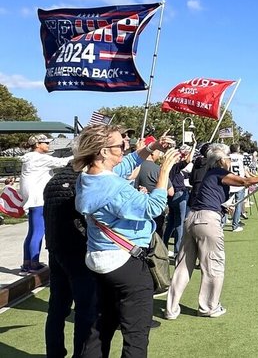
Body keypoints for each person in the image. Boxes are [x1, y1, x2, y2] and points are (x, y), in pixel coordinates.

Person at [74, 124, 178, 358]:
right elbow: (153, 207)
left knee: (101, 326)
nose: (125, 148)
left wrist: (153, 147)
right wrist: (164, 173)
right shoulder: (114, 186)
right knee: (136, 334)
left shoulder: (88, 177)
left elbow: (128, 164)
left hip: (99, 258)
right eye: (120, 145)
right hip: (126, 262)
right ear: (103, 151)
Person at [164, 143, 258, 320]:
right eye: (227, 158)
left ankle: (171, 309)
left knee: (182, 266)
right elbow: (245, 182)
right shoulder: (219, 172)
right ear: (220, 160)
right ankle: (209, 307)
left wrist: (223, 207)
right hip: (207, 222)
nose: (229, 161)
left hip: (192, 218)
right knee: (213, 266)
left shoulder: (209, 176)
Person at [43, 162, 97, 357]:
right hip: (76, 249)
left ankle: (54, 352)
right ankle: (80, 354)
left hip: (56, 247)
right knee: (85, 309)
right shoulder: (82, 181)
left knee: (57, 307)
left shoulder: (52, 181)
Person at [20, 134, 73, 273]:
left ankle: (27, 262)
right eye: (46, 142)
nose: (48, 145)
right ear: (38, 144)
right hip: (38, 198)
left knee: (32, 231)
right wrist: (79, 154)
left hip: (31, 199)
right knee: (38, 231)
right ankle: (33, 263)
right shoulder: (39, 158)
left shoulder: (30, 158)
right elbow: (62, 162)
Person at [134, 136, 175, 239]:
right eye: (158, 151)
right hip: (154, 212)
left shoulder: (134, 166)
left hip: (135, 211)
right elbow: (171, 192)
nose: (159, 153)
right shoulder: (158, 169)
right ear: (152, 152)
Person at [163, 144, 195, 256]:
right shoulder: (174, 167)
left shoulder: (166, 168)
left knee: (171, 223)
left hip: (171, 197)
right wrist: (193, 147)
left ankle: (164, 246)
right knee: (179, 223)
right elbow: (187, 161)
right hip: (178, 194)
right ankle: (178, 249)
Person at [227, 144, 249, 232]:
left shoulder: (227, 157)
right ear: (238, 149)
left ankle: (222, 222)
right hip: (239, 183)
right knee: (238, 204)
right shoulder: (242, 158)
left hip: (229, 182)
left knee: (225, 204)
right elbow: (246, 169)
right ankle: (235, 225)